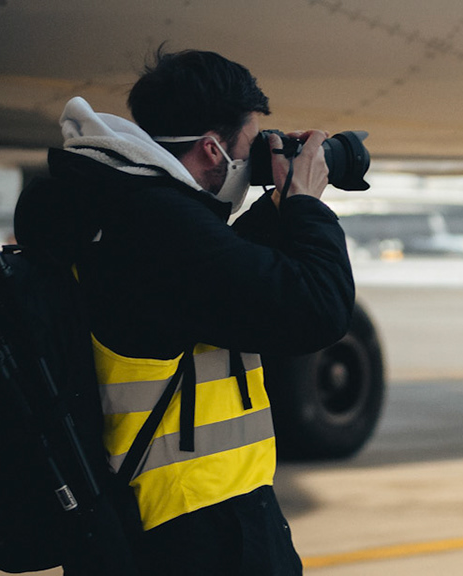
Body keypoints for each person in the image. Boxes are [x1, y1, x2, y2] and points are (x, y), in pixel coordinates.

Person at [19, 49, 353, 574]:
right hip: (196, 528)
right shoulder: (157, 227)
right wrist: (306, 204)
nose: (252, 162)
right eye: (249, 146)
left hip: (158, 521)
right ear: (212, 150)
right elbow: (319, 310)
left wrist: (274, 209)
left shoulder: (125, 208)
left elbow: (214, 277)